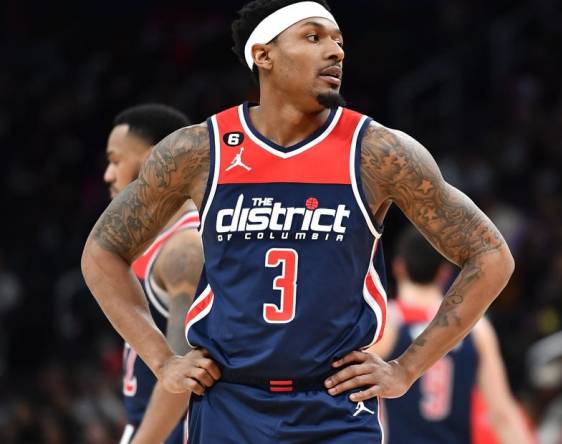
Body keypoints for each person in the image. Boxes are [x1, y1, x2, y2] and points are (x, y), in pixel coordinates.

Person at [81, 1, 514, 442]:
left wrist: (407, 368)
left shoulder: (377, 152)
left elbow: (490, 255)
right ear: (264, 56)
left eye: (339, 41)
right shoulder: (199, 151)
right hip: (229, 406)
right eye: (313, 37)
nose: (336, 52)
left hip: (334, 411)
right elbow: (102, 252)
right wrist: (162, 359)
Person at [369, 228, 531, 443]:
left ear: (398, 267)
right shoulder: (476, 327)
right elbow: (501, 413)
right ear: (444, 273)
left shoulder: (386, 323)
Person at [101, 104, 202, 444]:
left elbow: (184, 372)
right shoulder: (150, 242)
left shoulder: (185, 248)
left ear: (152, 161)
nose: (108, 175)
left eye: (115, 161)